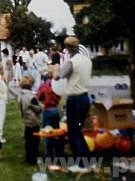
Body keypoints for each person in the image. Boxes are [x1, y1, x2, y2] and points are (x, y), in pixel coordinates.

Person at [55, 36, 93, 173]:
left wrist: (55, 69)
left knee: (73, 133)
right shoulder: (87, 61)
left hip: (74, 99)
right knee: (79, 131)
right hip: (85, 98)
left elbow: (59, 76)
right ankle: (88, 161)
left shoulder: (72, 62)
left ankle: (81, 165)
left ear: (69, 48)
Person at [37, 65, 64, 158]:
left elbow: (38, 96)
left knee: (47, 132)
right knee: (57, 132)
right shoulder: (57, 85)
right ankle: (59, 153)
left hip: (47, 110)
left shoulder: (44, 85)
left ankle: (49, 155)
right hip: (56, 109)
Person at [17, 76, 42, 165]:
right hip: (33, 120)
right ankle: (33, 159)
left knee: (28, 140)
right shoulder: (31, 97)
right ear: (31, 85)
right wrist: (41, 106)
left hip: (26, 119)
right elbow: (38, 109)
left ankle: (28, 157)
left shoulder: (21, 95)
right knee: (35, 141)